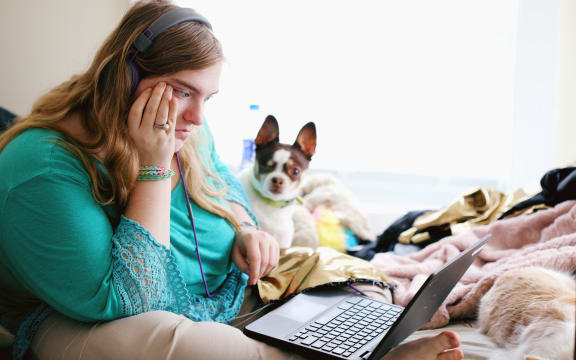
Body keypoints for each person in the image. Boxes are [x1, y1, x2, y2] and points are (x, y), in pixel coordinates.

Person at [0, 1, 464, 359]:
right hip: (92, 319)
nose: (198, 117)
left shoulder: (189, 125)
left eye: (208, 97)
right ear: (125, 77)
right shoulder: (41, 164)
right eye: (182, 92)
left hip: (224, 291)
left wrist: (246, 227)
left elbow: (224, 183)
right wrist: (154, 165)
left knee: (341, 273)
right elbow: (133, 301)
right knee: (164, 341)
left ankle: (362, 340)